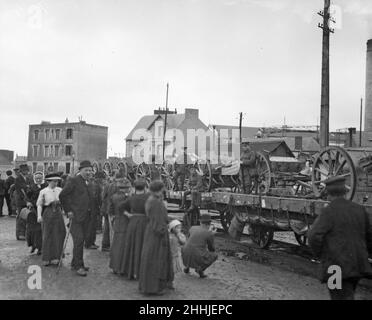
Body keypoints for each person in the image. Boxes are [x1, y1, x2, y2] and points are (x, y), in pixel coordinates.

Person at [308, 176, 372, 300]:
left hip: (335, 267)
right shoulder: (359, 209)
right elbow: (369, 237)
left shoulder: (329, 211)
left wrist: (321, 255)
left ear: (328, 193)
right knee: (347, 294)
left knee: (338, 296)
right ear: (345, 191)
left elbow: (313, 236)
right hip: (357, 266)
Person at [59, 160, 94, 277]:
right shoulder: (73, 180)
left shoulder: (87, 181)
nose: (89, 172)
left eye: (90, 170)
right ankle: (78, 267)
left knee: (81, 240)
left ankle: (76, 263)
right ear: (80, 170)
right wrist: (68, 210)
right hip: (76, 217)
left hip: (86, 217)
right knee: (79, 241)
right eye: (86, 170)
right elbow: (62, 195)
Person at [139, 180, 174, 295]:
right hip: (157, 235)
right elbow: (158, 222)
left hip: (151, 232)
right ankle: (153, 287)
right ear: (159, 190)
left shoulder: (151, 200)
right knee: (156, 259)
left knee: (149, 258)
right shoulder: (157, 203)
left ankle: (148, 285)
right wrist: (164, 231)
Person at [119, 179, 150, 280]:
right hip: (144, 222)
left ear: (134, 188)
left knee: (132, 245)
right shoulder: (148, 197)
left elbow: (120, 206)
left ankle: (131, 270)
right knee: (142, 246)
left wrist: (128, 214)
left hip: (133, 222)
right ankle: (141, 271)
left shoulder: (131, 198)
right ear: (145, 188)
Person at [37, 173, 66, 266]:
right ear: (48, 181)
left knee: (59, 234)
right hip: (48, 214)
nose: (56, 183)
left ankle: (56, 257)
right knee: (47, 235)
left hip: (58, 214)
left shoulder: (60, 190)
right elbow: (39, 204)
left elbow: (65, 202)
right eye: (54, 181)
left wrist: (66, 211)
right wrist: (39, 216)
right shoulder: (43, 191)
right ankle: (47, 258)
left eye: (57, 181)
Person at [182, 214, 218, 278]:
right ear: (209, 224)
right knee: (214, 255)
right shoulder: (209, 233)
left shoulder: (192, 228)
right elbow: (211, 249)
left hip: (184, 253)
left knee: (190, 247)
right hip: (197, 255)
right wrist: (211, 235)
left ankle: (187, 267)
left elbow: (189, 239)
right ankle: (200, 269)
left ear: (200, 222)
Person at [108, 178, 132, 274]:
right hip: (125, 222)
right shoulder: (127, 198)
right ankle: (121, 267)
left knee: (116, 244)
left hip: (117, 221)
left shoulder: (113, 197)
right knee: (123, 245)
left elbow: (110, 210)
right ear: (126, 188)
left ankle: (114, 266)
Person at [26, 172, 47, 255]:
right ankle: (33, 246)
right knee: (31, 230)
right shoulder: (31, 186)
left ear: (43, 178)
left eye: (40, 178)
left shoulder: (46, 186)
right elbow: (27, 197)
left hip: (43, 210)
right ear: (34, 178)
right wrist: (28, 202)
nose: (38, 180)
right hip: (33, 210)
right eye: (37, 178)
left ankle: (40, 247)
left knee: (40, 230)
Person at [15, 164, 33, 240]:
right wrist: (27, 187)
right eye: (24, 170)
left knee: (28, 217)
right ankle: (20, 234)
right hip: (21, 201)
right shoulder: (18, 179)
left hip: (28, 200)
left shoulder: (29, 178)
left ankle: (26, 233)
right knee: (20, 217)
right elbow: (20, 190)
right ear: (21, 171)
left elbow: (30, 187)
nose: (26, 171)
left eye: (27, 170)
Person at [84, 174, 102, 250]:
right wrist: (99, 205)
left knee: (91, 227)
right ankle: (89, 243)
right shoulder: (95, 186)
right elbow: (96, 197)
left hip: (90, 208)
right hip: (93, 209)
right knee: (91, 227)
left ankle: (90, 242)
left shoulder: (89, 185)